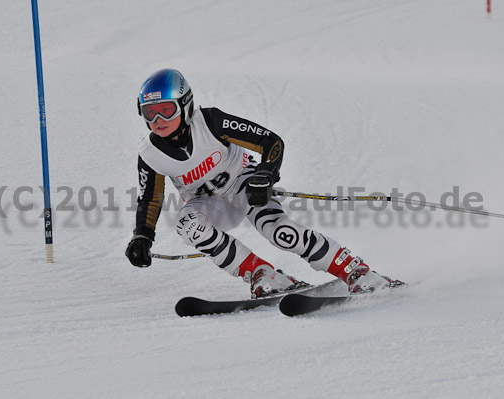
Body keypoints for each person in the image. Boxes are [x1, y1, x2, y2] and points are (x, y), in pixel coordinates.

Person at [126, 68, 400, 298]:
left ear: (185, 105)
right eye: (150, 113)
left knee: (280, 233)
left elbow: (271, 142)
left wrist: (265, 174)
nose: (159, 120)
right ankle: (261, 273)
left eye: (166, 110)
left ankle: (355, 270)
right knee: (188, 225)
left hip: (245, 184)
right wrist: (142, 236)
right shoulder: (149, 153)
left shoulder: (209, 122)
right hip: (208, 204)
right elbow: (150, 198)